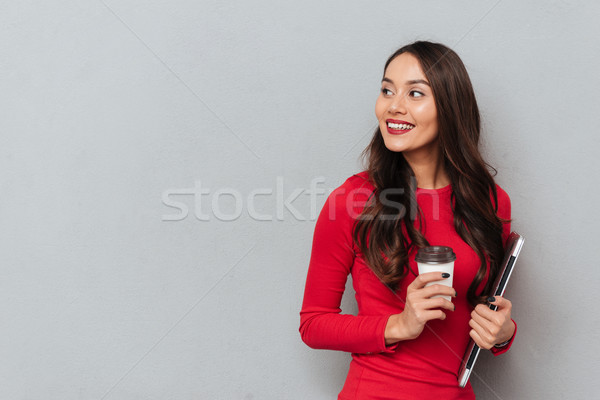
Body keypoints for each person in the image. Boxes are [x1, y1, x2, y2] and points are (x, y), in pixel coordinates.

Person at [298, 41, 517, 400]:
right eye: (387, 90)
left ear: (450, 108)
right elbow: (313, 324)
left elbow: (477, 312)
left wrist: (504, 332)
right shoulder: (352, 201)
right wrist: (399, 324)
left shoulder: (490, 201)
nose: (393, 106)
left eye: (415, 93)